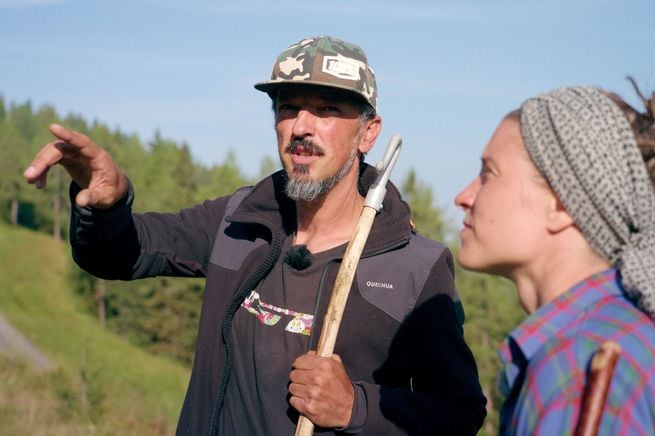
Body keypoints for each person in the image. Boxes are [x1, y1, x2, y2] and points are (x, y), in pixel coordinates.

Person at [25, 35, 487, 435]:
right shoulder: (239, 220)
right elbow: (121, 255)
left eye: (327, 109)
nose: (301, 127)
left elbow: (460, 413)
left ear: (368, 133)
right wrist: (107, 206)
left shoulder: (413, 265)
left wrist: (355, 408)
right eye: (288, 107)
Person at [454, 75, 655, 434]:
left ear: (561, 203)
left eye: (489, 173)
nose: (464, 196)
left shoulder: (578, 373)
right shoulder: (638, 341)